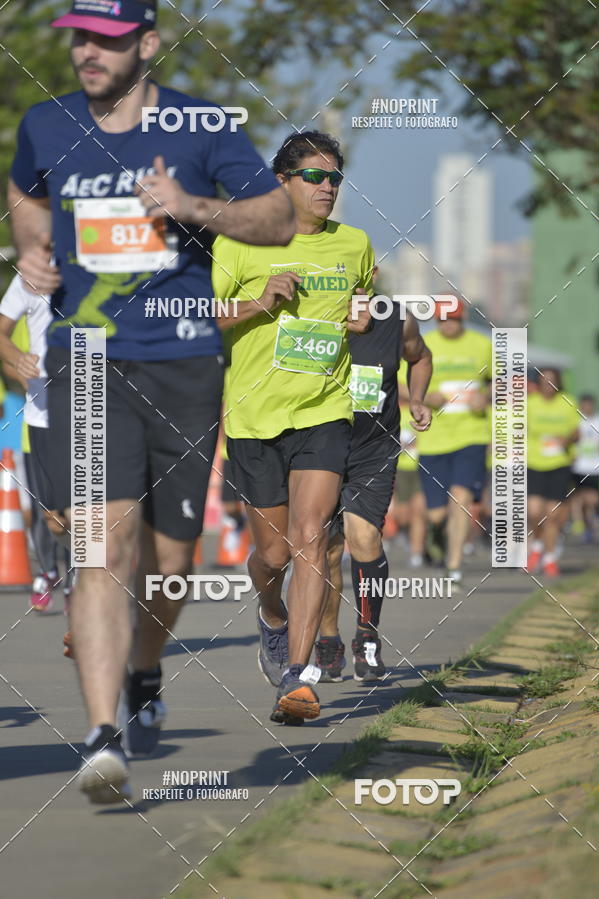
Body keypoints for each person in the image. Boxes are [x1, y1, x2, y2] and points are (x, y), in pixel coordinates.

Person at [8, 0, 294, 804]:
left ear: (147, 43)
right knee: (104, 544)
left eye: (105, 40)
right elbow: (25, 190)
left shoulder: (203, 127)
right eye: (78, 41)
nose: (88, 55)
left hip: (184, 360)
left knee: (170, 561)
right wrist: (34, 249)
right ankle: (103, 737)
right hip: (89, 356)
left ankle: (143, 665)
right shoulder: (46, 123)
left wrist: (195, 208)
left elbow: (275, 216)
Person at [212, 130, 373, 723]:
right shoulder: (241, 241)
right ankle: (270, 614)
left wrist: (359, 317)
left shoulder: (354, 243)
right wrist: (260, 301)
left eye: (335, 178)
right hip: (255, 416)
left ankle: (297, 677)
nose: (328, 187)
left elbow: (360, 301)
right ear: (283, 181)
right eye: (315, 176)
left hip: (325, 409)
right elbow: (203, 317)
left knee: (312, 538)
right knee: (273, 554)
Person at [315, 302, 432, 683]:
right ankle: (327, 640)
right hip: (316, 444)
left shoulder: (397, 319)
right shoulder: (310, 312)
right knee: (327, 549)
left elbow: (421, 357)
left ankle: (367, 635)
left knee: (364, 537)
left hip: (374, 447)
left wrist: (415, 398)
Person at [0, 275, 73, 612]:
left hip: (95, 419)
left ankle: (82, 587)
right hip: (41, 420)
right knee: (52, 518)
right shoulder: (33, 274)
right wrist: (20, 362)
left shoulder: (104, 266)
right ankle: (48, 570)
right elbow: (4, 343)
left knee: (91, 519)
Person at [407, 299, 491, 589]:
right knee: (437, 513)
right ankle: (436, 534)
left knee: (461, 499)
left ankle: (454, 567)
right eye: (443, 319)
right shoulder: (422, 343)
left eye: (453, 319)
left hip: (472, 435)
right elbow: (401, 384)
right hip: (433, 439)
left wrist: (487, 396)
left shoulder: (483, 345)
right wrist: (424, 397)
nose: (448, 324)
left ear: (463, 318)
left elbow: (505, 382)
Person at [527, 368, 579, 577]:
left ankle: (549, 559)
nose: (548, 384)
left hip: (559, 464)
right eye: (544, 380)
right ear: (538, 383)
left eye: (552, 380)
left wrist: (567, 440)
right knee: (534, 512)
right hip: (534, 463)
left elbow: (576, 431)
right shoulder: (530, 403)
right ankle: (537, 545)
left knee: (552, 515)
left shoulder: (567, 401)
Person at [393, 360, 428, 568]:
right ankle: (406, 536)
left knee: (419, 511)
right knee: (402, 515)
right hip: (401, 469)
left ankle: (417, 553)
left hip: (421, 466)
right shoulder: (393, 411)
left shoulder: (423, 409)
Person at [570, 394, 599, 543]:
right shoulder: (576, 421)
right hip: (578, 466)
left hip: (594, 467)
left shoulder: (598, 421)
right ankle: (581, 525)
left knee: (592, 499)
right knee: (578, 497)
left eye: (589, 404)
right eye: (583, 405)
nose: (586, 407)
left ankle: (590, 523)